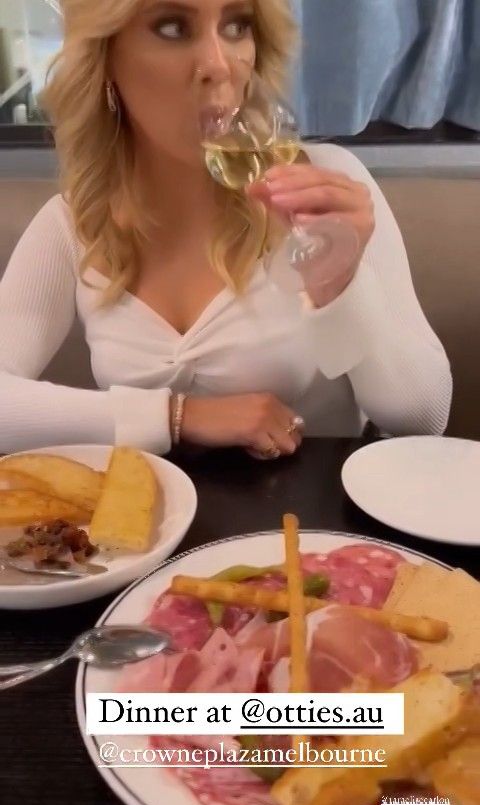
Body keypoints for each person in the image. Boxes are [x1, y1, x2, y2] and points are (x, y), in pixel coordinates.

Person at [0, 0, 452, 460]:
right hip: (155, 507)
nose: (219, 65)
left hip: (313, 504)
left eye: (236, 26)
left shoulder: (325, 189)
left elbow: (423, 418)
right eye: (173, 28)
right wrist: (175, 416)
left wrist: (343, 287)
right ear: (105, 56)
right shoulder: (75, 223)